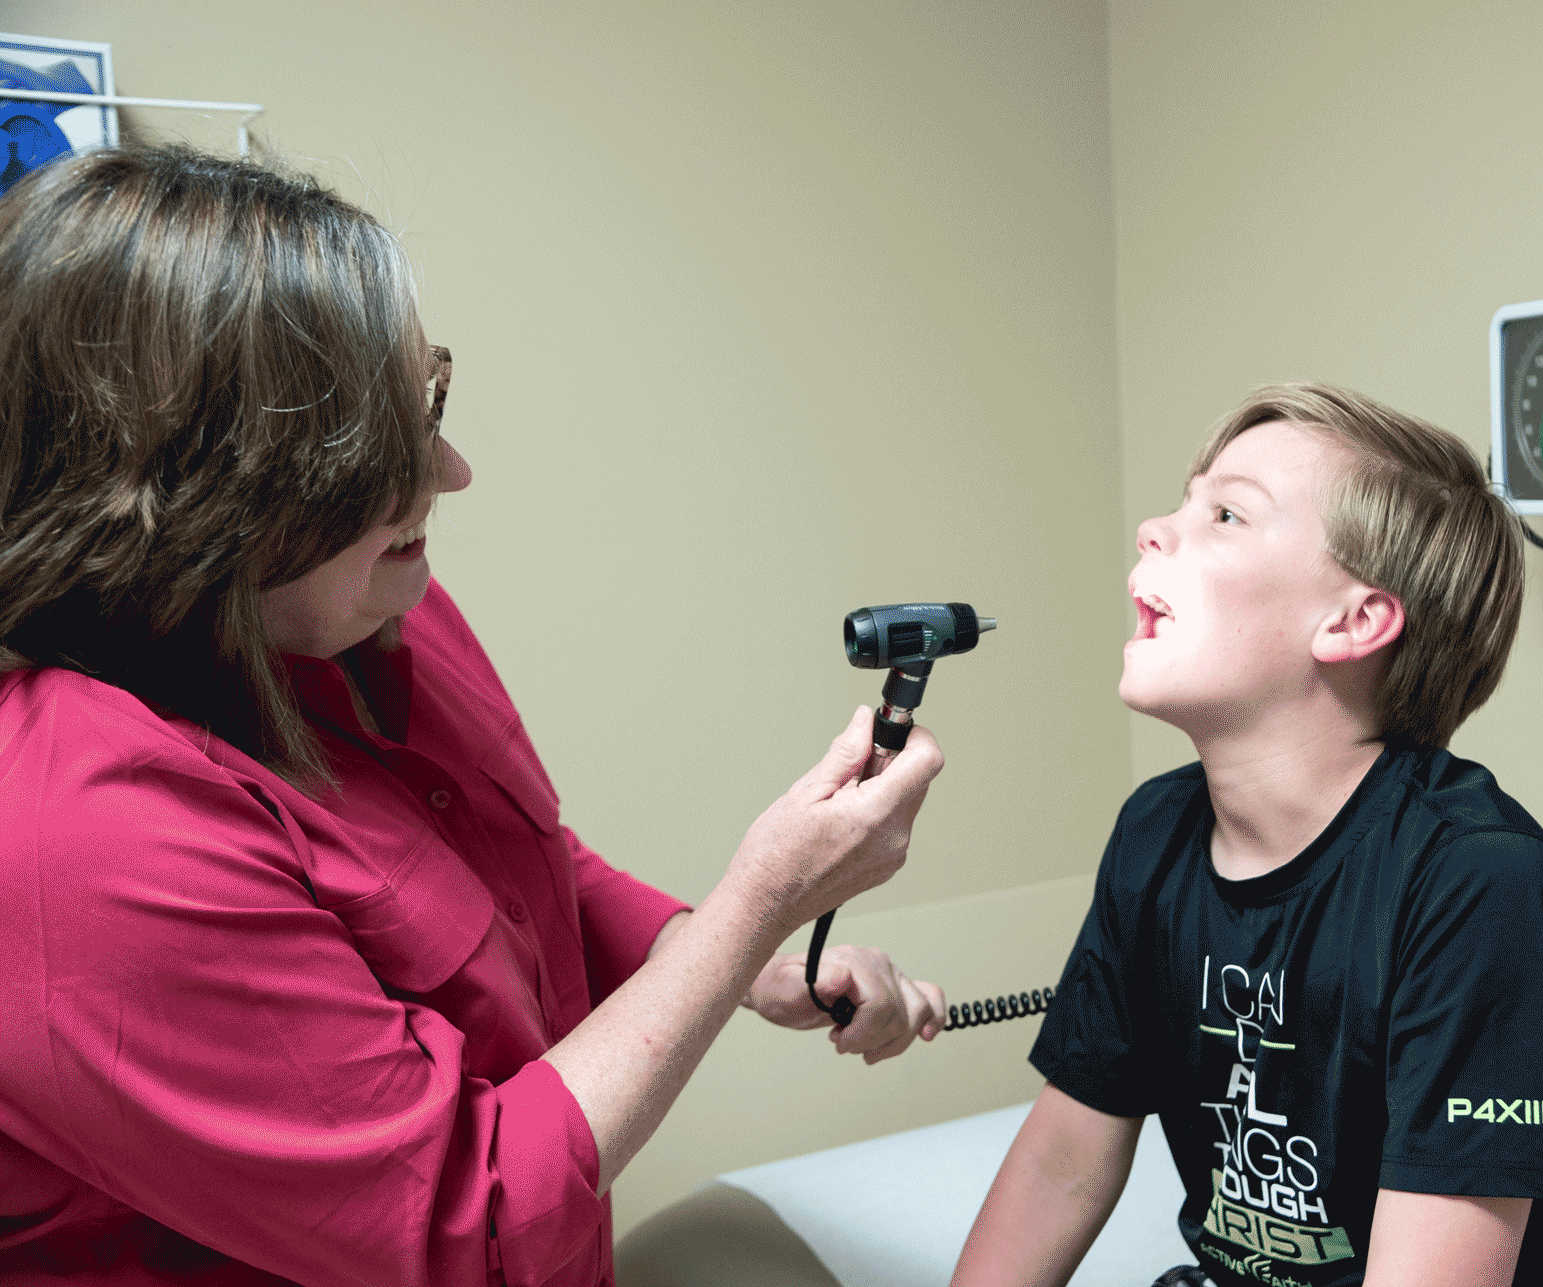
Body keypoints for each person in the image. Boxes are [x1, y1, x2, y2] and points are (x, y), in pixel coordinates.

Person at [0, 145, 946, 1286]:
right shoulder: (77, 836)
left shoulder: (369, 597)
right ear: (199, 495)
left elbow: (522, 867)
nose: (449, 473)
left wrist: (718, 954)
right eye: (376, 456)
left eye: (426, 406)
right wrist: (760, 905)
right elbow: (469, 1224)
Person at [951, 386, 1543, 1287]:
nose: (1153, 529)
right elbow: (1064, 1161)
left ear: (1354, 621)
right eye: (1184, 499)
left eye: (1227, 512)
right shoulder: (1156, 834)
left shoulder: (1479, 885)